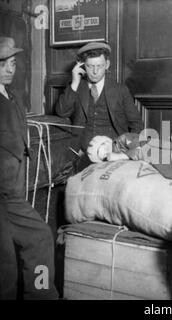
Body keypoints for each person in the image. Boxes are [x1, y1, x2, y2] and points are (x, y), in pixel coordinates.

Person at [0, 37, 58, 299]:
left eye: (12, 63)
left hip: (12, 193)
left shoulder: (12, 96)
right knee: (6, 266)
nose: (9, 69)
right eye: (3, 63)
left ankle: (42, 293)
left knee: (41, 237)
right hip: (2, 193)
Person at [55, 41, 143, 168]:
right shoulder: (76, 87)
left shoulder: (120, 90)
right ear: (82, 66)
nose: (95, 71)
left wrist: (126, 152)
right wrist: (74, 82)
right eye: (90, 66)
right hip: (81, 153)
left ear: (107, 64)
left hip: (113, 155)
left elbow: (136, 124)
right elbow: (62, 112)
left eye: (99, 66)